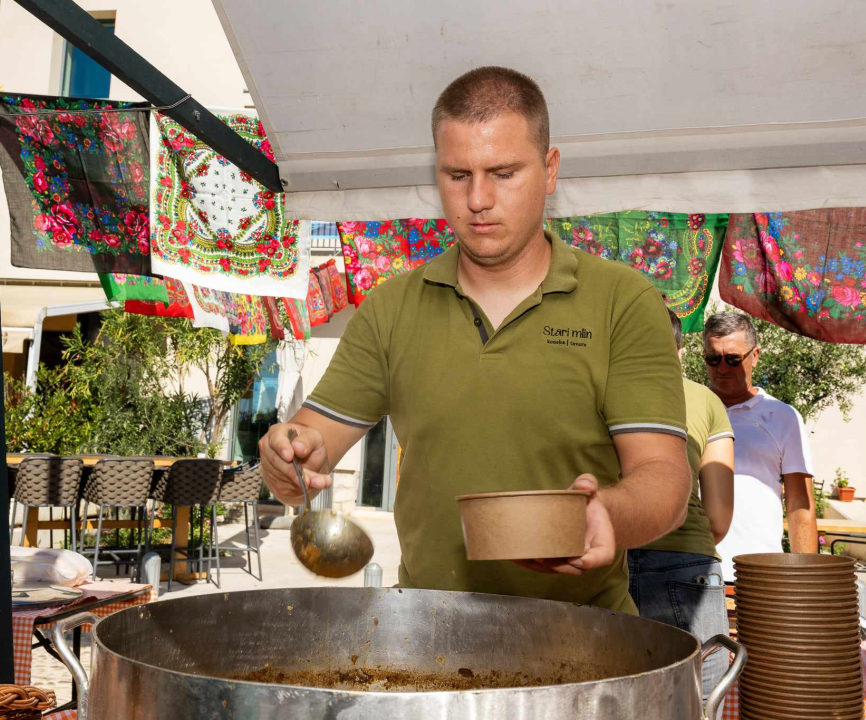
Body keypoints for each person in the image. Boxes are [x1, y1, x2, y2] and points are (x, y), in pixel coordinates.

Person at [259, 66, 691, 613]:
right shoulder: (391, 307)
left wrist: (606, 511)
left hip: (583, 642)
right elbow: (307, 453)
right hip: (425, 637)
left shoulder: (620, 301)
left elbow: (665, 479)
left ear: (550, 168)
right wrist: (287, 458)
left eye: (503, 172)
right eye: (457, 175)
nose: (478, 198)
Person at [628, 309, 734, 702]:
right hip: (686, 561)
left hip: (607, 559)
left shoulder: (595, 389)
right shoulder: (706, 401)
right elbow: (720, 517)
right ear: (679, 349)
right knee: (697, 702)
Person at [704, 312, 818, 581]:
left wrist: (805, 577)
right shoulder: (690, 409)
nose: (722, 368)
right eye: (713, 358)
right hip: (693, 569)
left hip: (759, 571)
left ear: (754, 356)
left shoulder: (782, 417)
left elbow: (800, 503)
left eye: (732, 359)